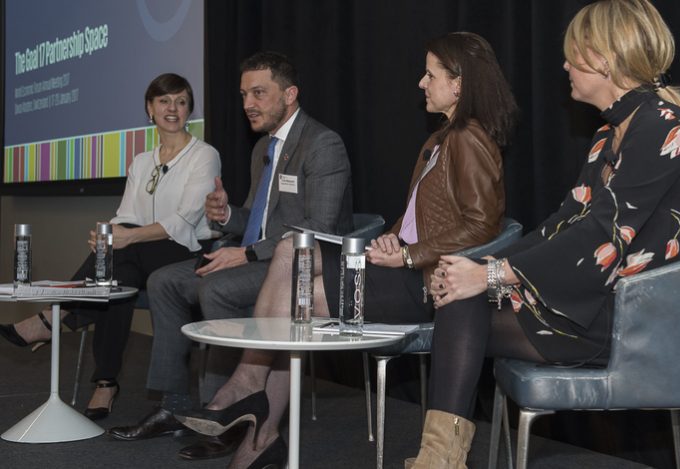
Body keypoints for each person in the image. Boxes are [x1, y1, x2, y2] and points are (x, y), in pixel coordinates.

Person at [173, 31, 517, 469]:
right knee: (292, 264)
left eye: (430, 75)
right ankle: (258, 428)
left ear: (459, 83)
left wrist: (409, 255)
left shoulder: (470, 137)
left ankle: (249, 396)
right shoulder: (441, 139)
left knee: (291, 284)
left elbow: (482, 223)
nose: (421, 83)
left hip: (425, 285)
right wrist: (393, 238)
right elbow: (420, 216)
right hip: (404, 269)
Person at [405, 1, 680, 467]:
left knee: (463, 303)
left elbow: (601, 234)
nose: (564, 66)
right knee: (461, 299)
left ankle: (439, 461)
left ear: (603, 60)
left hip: (638, 319)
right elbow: (561, 225)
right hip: (599, 301)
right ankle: (439, 460)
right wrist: (478, 269)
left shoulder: (661, 126)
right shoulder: (609, 135)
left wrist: (493, 275)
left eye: (573, 55)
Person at [106, 51, 354, 459]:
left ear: (290, 94)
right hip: (260, 256)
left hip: (300, 268)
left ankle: (224, 415)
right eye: (243, 95)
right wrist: (225, 215)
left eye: (259, 93)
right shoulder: (264, 148)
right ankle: (174, 405)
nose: (248, 104)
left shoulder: (322, 143)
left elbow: (320, 229)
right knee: (165, 281)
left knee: (216, 289)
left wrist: (249, 254)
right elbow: (254, 218)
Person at [0, 73, 221, 421]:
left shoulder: (204, 156)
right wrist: (108, 238)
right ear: (149, 109)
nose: (173, 108)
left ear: (189, 110)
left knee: (120, 254)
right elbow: (126, 216)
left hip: (188, 253)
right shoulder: (142, 161)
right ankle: (105, 381)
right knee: (118, 277)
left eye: (181, 101)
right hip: (140, 256)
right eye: (164, 101)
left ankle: (55, 318)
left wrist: (125, 238)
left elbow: (183, 221)